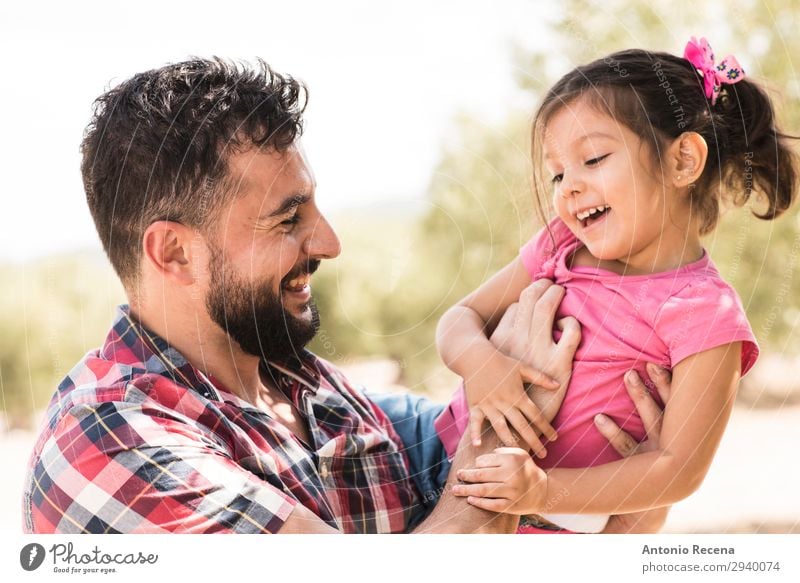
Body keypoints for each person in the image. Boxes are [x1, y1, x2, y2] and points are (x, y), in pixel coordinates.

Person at [22, 57, 668, 534]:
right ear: (174, 253)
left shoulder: (314, 393)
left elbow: (479, 472)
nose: (328, 242)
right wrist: (504, 432)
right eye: (287, 219)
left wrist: (648, 482)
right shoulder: (113, 442)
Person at [436, 37, 798, 533]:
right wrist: (483, 366)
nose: (568, 189)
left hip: (543, 523)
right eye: (557, 174)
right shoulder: (560, 243)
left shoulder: (706, 315)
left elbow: (679, 467)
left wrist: (542, 488)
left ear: (682, 161)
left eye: (593, 159)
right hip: (436, 458)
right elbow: (460, 318)